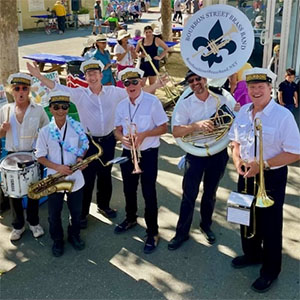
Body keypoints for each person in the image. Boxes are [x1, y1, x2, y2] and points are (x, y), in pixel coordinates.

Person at [27, 59, 166, 229]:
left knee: (105, 174)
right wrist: (37, 75)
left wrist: (156, 85)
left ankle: (104, 206)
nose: (92, 77)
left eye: (95, 73)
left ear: (101, 75)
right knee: (87, 177)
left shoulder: (114, 92)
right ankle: (83, 213)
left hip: (108, 140)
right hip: (89, 141)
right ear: (85, 77)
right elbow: (57, 87)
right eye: (88, 74)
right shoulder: (79, 94)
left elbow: (136, 91)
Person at [229, 68, 300, 293]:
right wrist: (237, 160)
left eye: (261, 87)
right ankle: (251, 254)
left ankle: (270, 270)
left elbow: (295, 152)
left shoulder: (283, 116)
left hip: (270, 175)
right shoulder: (242, 112)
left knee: (269, 225)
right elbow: (235, 143)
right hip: (246, 172)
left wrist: (263, 165)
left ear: (271, 88)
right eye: (252, 87)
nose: (256, 91)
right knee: (244, 218)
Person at [168, 70, 236, 250]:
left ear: (205, 79)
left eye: (198, 78)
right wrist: (196, 125)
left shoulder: (221, 98)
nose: (195, 83)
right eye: (191, 80)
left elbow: (235, 120)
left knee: (210, 192)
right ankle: (181, 233)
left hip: (218, 153)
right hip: (195, 154)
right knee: (189, 194)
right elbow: (176, 131)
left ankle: (206, 226)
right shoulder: (186, 103)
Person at [114, 67, 168, 254]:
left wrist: (144, 134)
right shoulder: (121, 105)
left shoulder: (152, 102)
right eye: (126, 83)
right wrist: (121, 139)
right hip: (128, 151)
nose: (131, 86)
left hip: (149, 152)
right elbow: (116, 129)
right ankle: (130, 218)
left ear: (141, 82)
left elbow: (163, 128)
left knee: (149, 192)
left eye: (134, 82)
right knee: (128, 189)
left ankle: (153, 232)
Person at [35, 91, 88, 257]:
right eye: (56, 107)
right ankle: (57, 240)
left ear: (67, 108)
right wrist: (57, 167)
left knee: (76, 212)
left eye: (64, 107)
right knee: (53, 214)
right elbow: (40, 156)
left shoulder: (77, 127)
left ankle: (74, 235)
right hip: (54, 179)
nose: (60, 110)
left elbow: (84, 146)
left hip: (75, 178)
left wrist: (80, 158)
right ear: (50, 109)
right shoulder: (44, 131)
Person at [0, 73, 49, 241]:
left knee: (33, 192)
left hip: (32, 156)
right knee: (14, 194)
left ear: (29, 90)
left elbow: (47, 132)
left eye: (24, 88)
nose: (21, 92)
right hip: (13, 156)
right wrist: (2, 129)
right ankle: (18, 226)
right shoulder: (5, 110)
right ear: (12, 91)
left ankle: (34, 223)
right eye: (17, 88)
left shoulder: (39, 110)